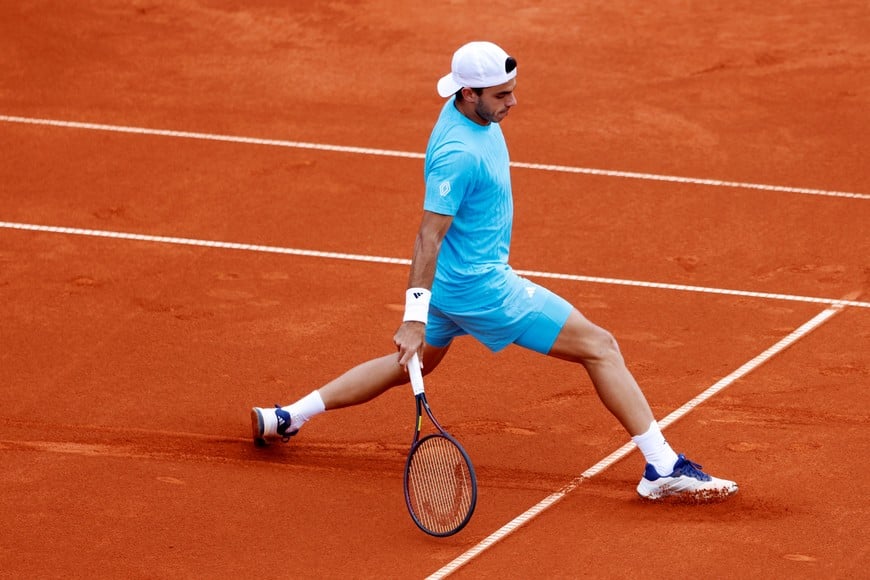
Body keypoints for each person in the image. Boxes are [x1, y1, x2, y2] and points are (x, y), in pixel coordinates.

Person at [251, 41, 738, 501]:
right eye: (502, 95)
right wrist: (413, 318)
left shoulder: (468, 112)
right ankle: (662, 467)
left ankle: (290, 416)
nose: (514, 102)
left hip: (451, 286)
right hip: (481, 290)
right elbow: (427, 238)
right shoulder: (458, 154)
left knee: (408, 367)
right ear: (469, 93)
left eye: (513, 89)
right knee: (600, 346)